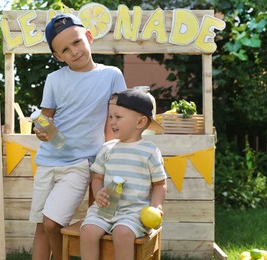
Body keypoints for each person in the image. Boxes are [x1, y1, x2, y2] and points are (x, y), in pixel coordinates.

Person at [29, 13, 127, 260]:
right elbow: (45, 119)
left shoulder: (112, 75)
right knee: (41, 226)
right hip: (47, 160)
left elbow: (117, 119)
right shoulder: (54, 80)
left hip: (80, 163)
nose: (73, 51)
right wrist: (40, 129)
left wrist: (111, 156)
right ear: (57, 56)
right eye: (64, 49)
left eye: (77, 42)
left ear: (89, 37)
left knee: (52, 224)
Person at [80, 89, 168, 260]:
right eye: (111, 117)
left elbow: (160, 184)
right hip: (104, 209)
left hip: (134, 212)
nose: (112, 122)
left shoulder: (149, 151)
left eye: (118, 117)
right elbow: (97, 177)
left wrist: (156, 207)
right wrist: (98, 192)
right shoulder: (108, 148)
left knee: (122, 233)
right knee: (88, 231)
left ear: (140, 122)